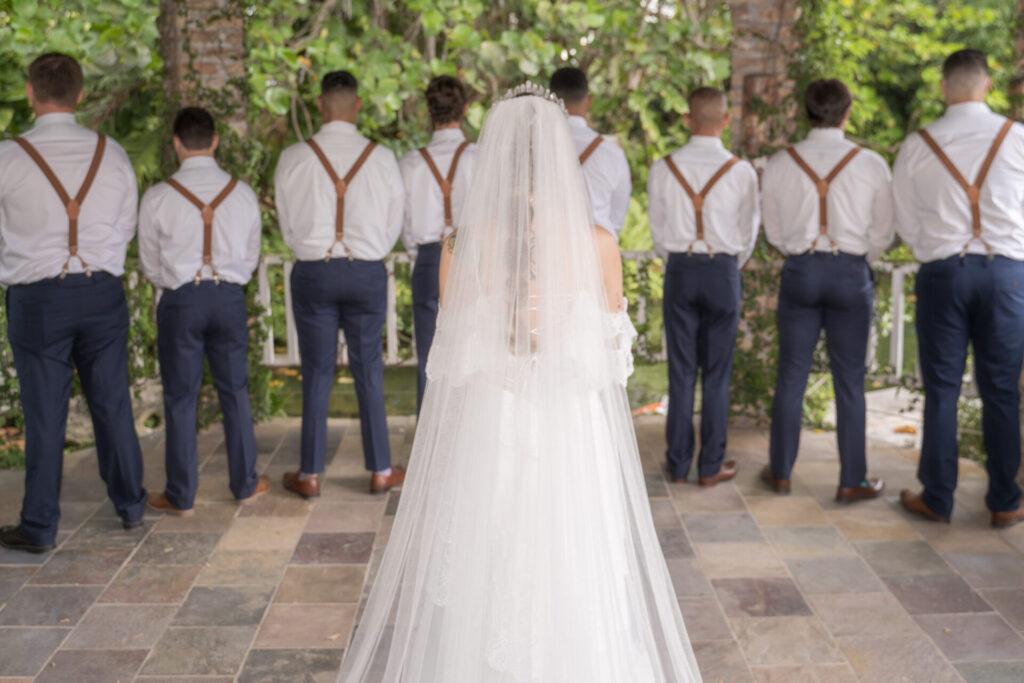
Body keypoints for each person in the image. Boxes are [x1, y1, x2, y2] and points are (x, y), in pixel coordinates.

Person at [338, 83, 702, 683]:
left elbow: (451, 360)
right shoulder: (599, 245)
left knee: (493, 565)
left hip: (493, 423)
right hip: (571, 429)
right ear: (563, 158)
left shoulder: (461, 245)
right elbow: (614, 365)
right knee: (575, 565)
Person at [0, 53, 147, 553]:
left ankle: (39, 527)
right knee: (112, 404)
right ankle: (130, 506)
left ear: (30, 93)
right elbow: (127, 226)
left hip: (38, 298)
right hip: (102, 292)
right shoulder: (114, 153)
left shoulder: (8, 157)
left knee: (44, 415)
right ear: (81, 95)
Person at [894, 50, 1024, 527]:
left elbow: (905, 222)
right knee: (1002, 392)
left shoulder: (917, 145)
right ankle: (1006, 501)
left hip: (943, 273)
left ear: (945, 87)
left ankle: (938, 497)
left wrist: (940, 248)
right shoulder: (1018, 139)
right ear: (987, 85)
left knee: (943, 390)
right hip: (1007, 274)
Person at [762, 78, 895, 502]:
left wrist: (804, 252)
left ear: (806, 111)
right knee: (850, 382)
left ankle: (781, 472)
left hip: (800, 270)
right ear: (848, 111)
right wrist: (857, 259)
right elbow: (883, 231)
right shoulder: (871, 163)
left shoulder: (780, 164)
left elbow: (775, 233)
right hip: (850, 274)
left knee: (791, 376)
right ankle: (851, 480)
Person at [273, 70, 405, 498]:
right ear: (359, 105)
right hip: (366, 272)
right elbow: (393, 225)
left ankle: (309, 474)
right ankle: (381, 469)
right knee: (369, 370)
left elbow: (287, 228)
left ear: (319, 105)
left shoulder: (293, 157)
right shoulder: (383, 158)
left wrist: (318, 250)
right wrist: (366, 251)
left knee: (316, 372)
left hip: (314, 271)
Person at [138, 107, 269, 515]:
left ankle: (181, 493)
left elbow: (150, 263)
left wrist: (178, 284)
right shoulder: (243, 193)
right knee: (234, 392)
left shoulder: (158, 197)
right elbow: (250, 258)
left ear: (176, 143)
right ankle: (245, 484)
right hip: (229, 298)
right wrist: (226, 280)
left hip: (181, 301)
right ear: (215, 141)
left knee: (181, 398)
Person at [648, 86, 759, 487]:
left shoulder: (663, 168)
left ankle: (677, 464)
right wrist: (727, 263)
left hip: (680, 269)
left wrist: (680, 257)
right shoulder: (741, 171)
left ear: (687, 119)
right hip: (723, 271)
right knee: (716, 374)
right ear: (725, 120)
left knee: (680, 373)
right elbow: (749, 233)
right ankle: (710, 465)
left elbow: (657, 230)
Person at [399, 76, 478, 411]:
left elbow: (403, 225)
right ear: (466, 109)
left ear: (428, 113)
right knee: (479, 352)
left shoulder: (410, 162)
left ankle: (430, 451)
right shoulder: (481, 156)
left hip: (430, 260)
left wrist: (423, 253)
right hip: (477, 259)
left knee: (430, 358)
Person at [549, 67, 632, 238]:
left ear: (550, 101)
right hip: (598, 250)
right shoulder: (612, 153)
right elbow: (616, 218)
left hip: (549, 249)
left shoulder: (534, 146)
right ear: (589, 101)